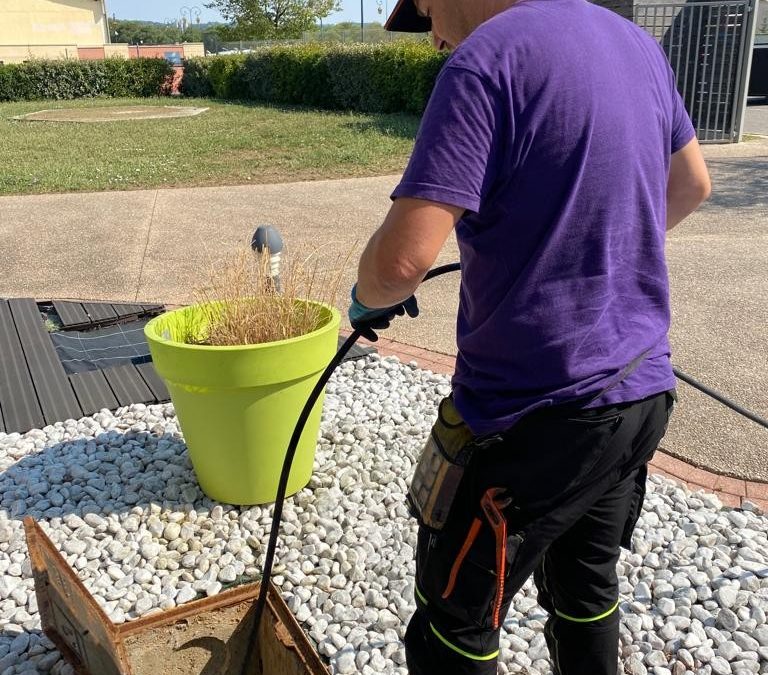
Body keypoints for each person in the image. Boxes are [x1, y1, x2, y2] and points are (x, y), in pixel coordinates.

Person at [347, 0, 711, 672]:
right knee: (584, 587)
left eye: (427, 12)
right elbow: (690, 184)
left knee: (454, 621)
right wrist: (600, 249)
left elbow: (402, 262)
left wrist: (365, 300)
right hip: (640, 395)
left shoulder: (486, 61)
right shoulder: (636, 46)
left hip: (532, 419)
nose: (434, 37)